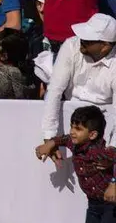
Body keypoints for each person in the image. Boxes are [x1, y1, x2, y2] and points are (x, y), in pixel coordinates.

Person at [36, 106, 116, 223]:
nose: (72, 132)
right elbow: (64, 139)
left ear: (93, 134)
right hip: (94, 205)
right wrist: (50, 143)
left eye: (78, 129)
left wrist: (113, 183)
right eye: (72, 126)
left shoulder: (102, 152)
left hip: (111, 206)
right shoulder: (76, 143)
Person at [42, 13, 116, 146]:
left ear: (105, 46)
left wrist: (112, 150)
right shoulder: (71, 45)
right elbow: (54, 90)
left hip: (105, 122)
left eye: (88, 40)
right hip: (68, 117)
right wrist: (49, 135)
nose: (81, 40)